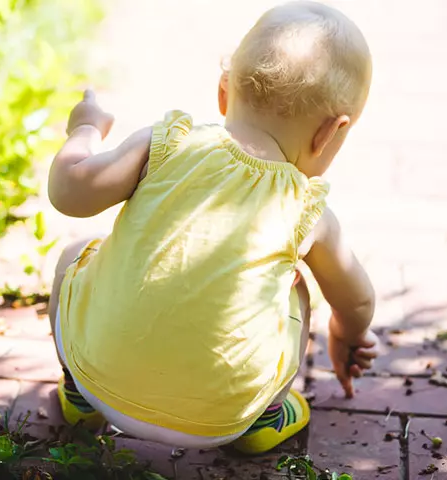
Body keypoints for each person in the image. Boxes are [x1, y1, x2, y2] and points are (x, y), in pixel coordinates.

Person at [46, 0, 379, 454]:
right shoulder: (306, 209)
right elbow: (357, 298)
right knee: (297, 287)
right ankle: (265, 417)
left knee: (74, 254)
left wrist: (84, 130)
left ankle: (78, 397)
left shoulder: (168, 143)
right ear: (331, 134)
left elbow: (69, 192)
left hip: (100, 379)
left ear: (224, 92)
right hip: (221, 421)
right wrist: (347, 335)